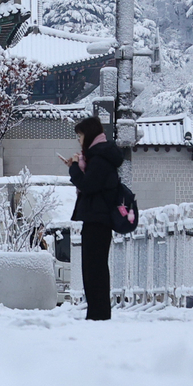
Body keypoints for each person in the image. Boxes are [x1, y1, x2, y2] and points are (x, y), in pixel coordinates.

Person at [65, 118, 127, 321]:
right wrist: (77, 165)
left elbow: (89, 185)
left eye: (80, 136)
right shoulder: (99, 156)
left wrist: (74, 168)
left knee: (95, 270)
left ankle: (98, 315)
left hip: (98, 220)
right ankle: (96, 313)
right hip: (97, 219)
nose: (79, 140)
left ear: (89, 135)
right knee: (93, 268)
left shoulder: (100, 159)